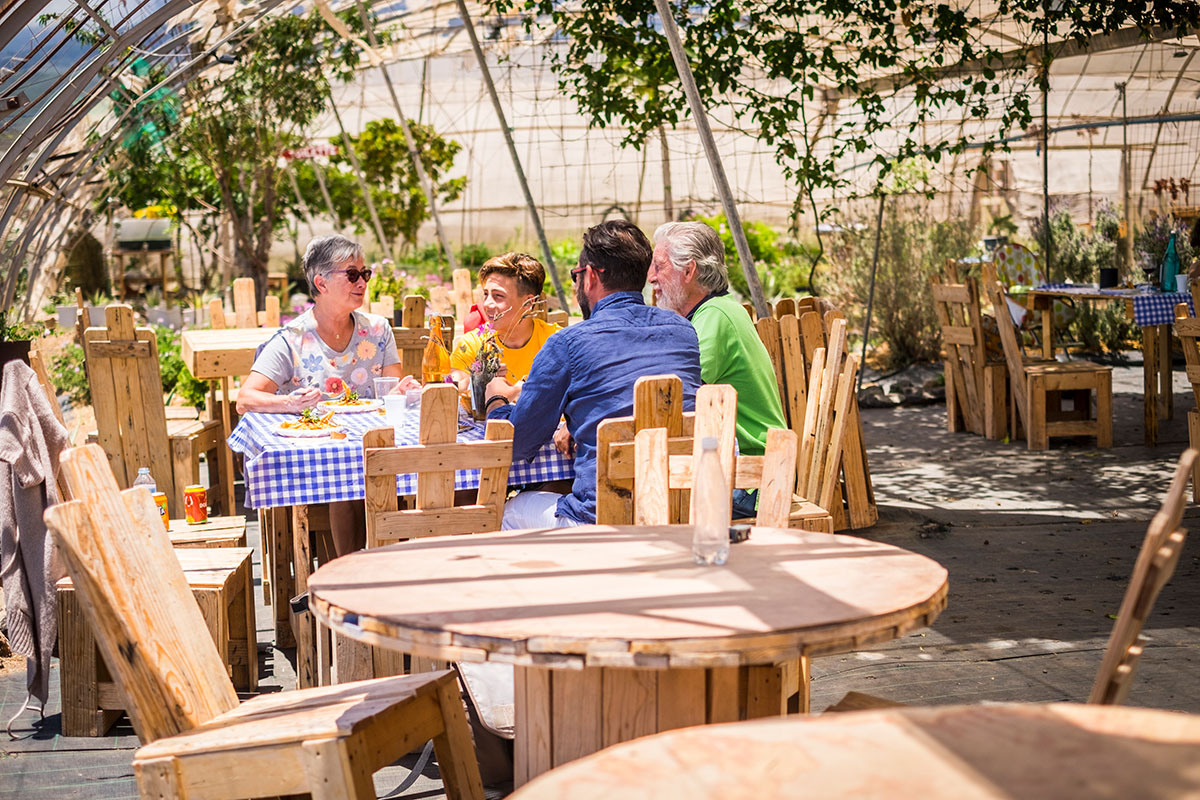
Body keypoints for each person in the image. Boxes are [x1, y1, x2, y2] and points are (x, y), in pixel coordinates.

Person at [484, 219, 702, 527]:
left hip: (602, 521)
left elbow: (517, 445)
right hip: (680, 514)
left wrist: (496, 400)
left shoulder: (568, 343)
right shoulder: (683, 331)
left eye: (575, 276)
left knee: (506, 512)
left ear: (590, 277)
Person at [238, 233, 418, 554]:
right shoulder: (292, 338)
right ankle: (350, 573)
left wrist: (404, 390)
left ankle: (387, 569)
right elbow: (246, 399)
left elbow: (393, 388)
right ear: (320, 283)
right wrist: (290, 403)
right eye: (352, 274)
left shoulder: (378, 330)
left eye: (365, 273)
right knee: (347, 480)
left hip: (375, 449)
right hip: (323, 460)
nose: (362, 281)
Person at [650, 221, 787, 518]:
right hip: (751, 471)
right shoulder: (719, 310)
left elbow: (673, 398)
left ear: (689, 271)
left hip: (751, 480)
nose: (651, 277)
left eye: (659, 267)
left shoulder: (715, 318)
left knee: (651, 503)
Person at [449, 252, 560, 387]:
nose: (487, 304)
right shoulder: (474, 343)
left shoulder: (556, 341)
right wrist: (478, 379)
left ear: (528, 302)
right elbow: (453, 381)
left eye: (498, 296)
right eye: (486, 294)